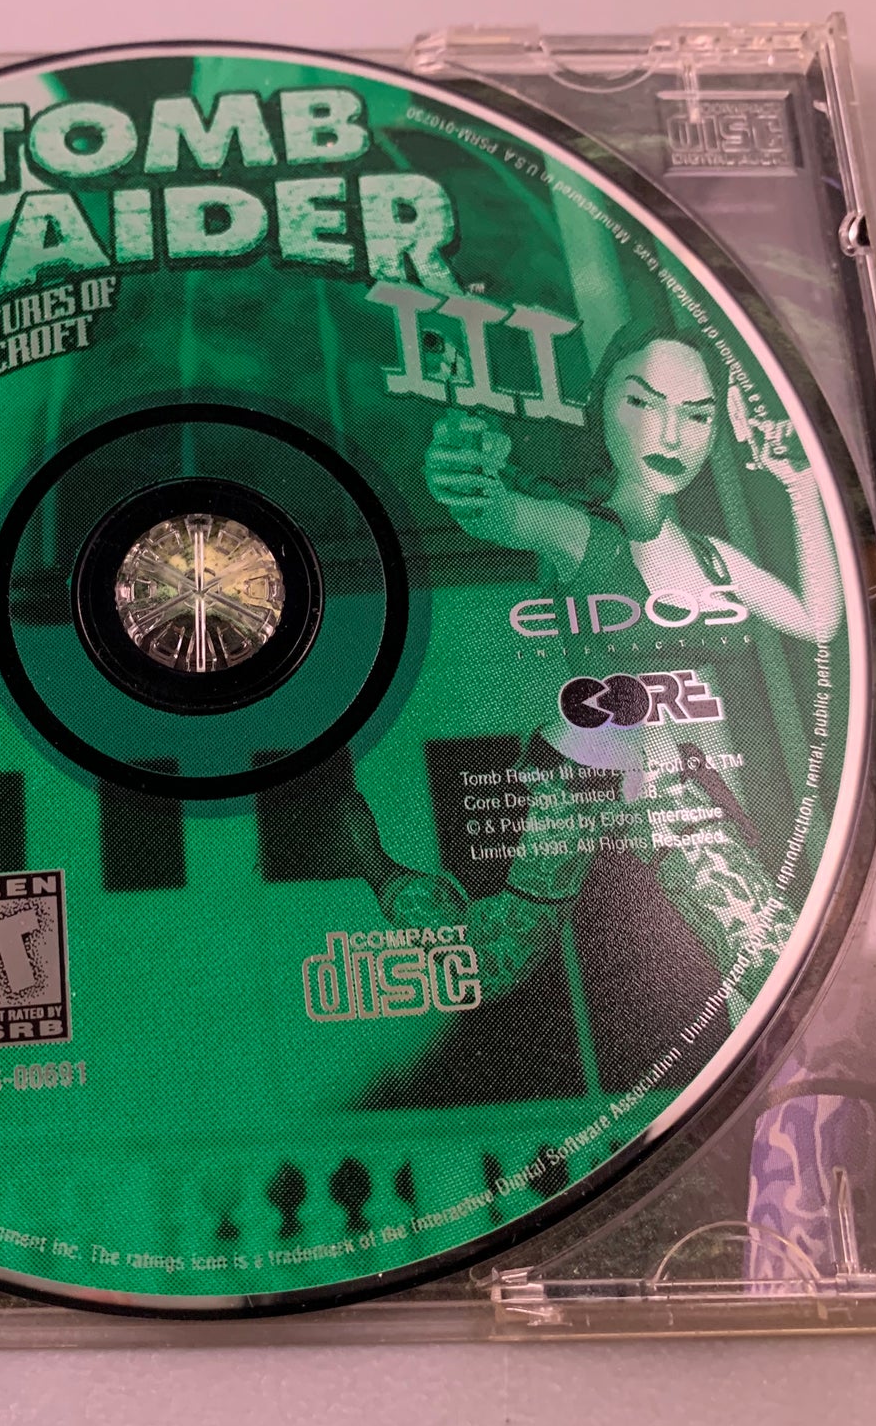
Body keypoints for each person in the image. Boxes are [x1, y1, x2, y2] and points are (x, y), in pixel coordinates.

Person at [353, 316, 843, 1021]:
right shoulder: (583, 531)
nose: (669, 434)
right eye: (642, 402)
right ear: (601, 405)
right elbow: (494, 513)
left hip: (674, 788)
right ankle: (373, 862)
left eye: (696, 414)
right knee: (493, 960)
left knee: (770, 964)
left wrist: (800, 484)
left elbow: (819, 621)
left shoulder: (713, 559)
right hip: (586, 773)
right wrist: (461, 451)